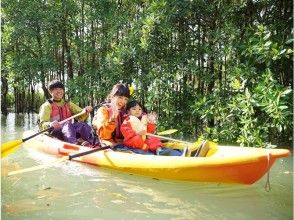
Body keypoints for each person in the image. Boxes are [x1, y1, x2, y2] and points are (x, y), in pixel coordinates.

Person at [38, 80, 95, 146]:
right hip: (55, 132)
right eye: (56, 89)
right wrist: (50, 124)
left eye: (61, 89)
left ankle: (90, 142)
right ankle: (74, 144)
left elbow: (81, 115)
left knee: (82, 125)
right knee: (68, 124)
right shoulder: (47, 106)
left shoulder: (68, 104)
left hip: (69, 130)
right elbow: (42, 124)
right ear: (51, 92)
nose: (59, 91)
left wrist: (86, 111)